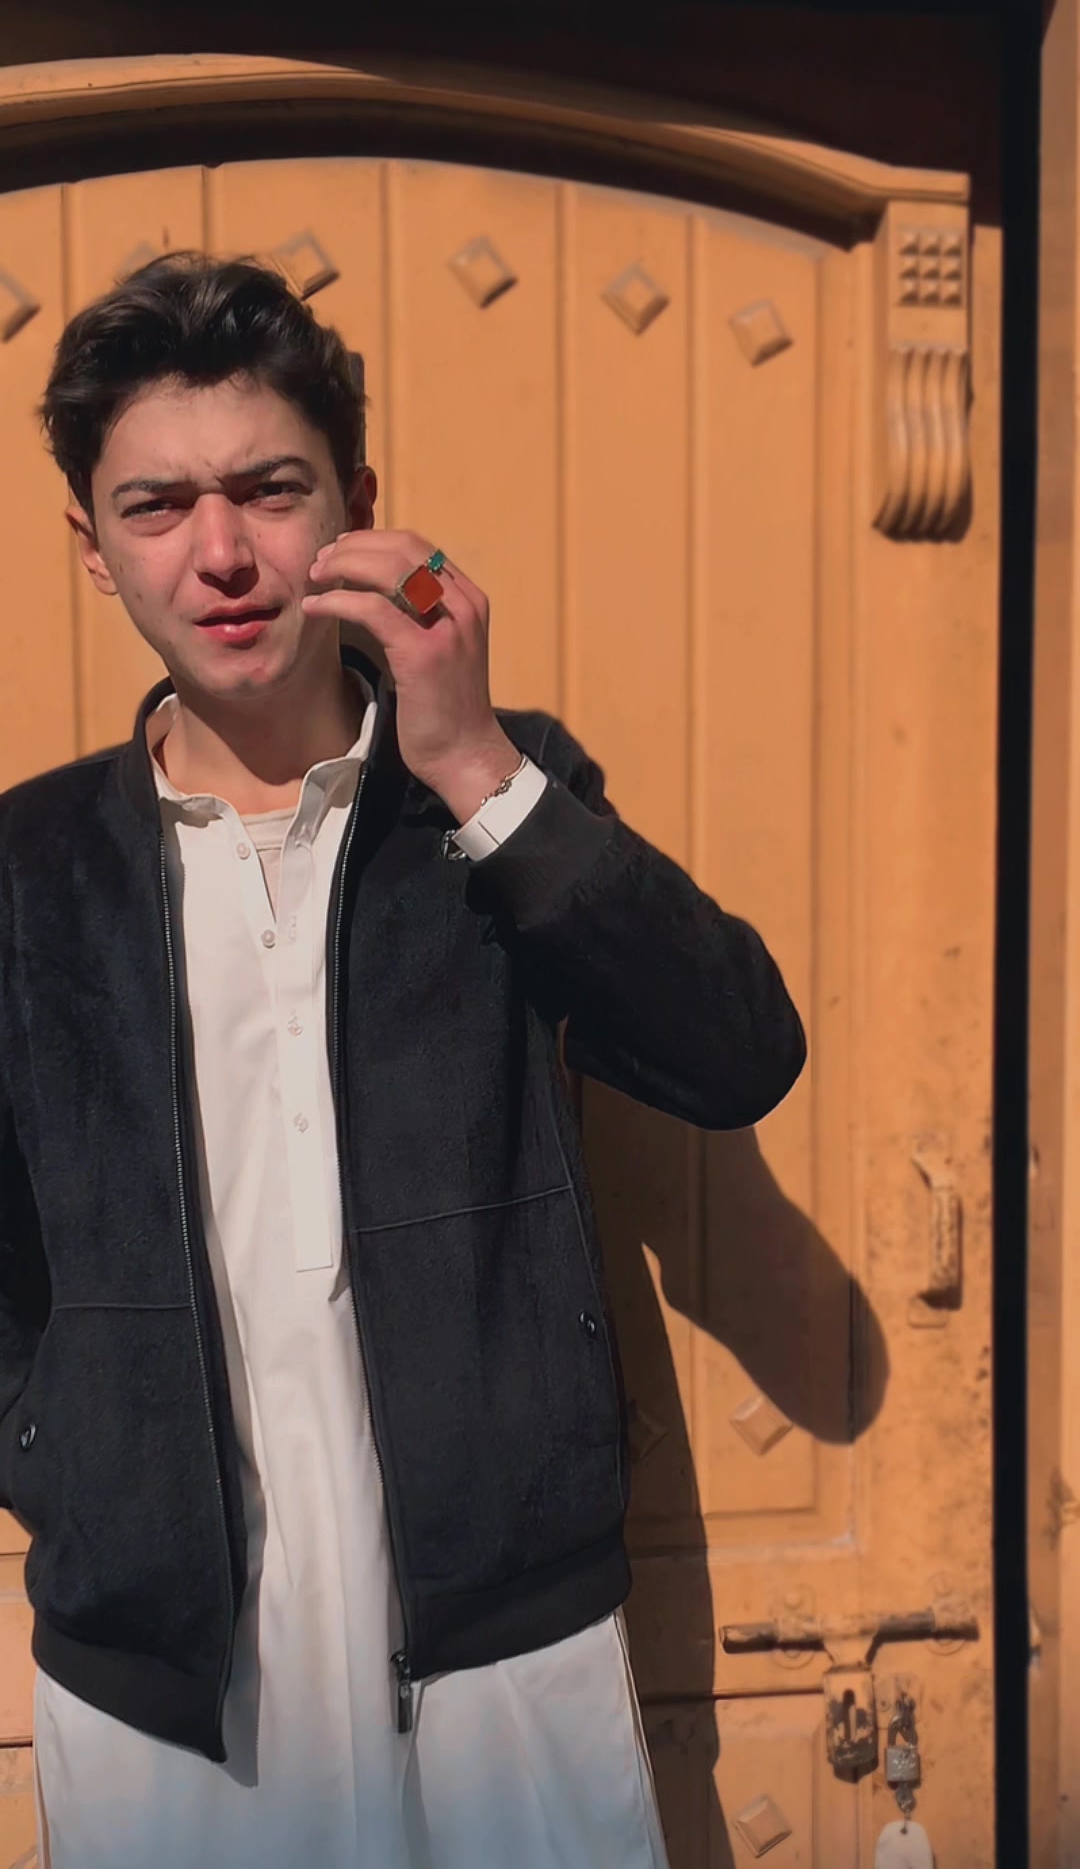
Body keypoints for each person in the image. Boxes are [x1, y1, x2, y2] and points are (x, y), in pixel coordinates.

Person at [0, 252, 806, 1868]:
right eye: (157, 506)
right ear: (92, 548)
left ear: (356, 507)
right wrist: (66, 1459)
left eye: (269, 489)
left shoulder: (499, 795)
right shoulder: (28, 868)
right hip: (169, 1687)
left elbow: (735, 1055)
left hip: (506, 1653)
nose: (222, 552)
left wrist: (472, 758)